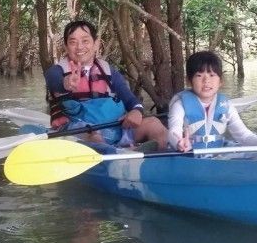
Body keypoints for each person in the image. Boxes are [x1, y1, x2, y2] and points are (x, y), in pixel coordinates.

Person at [44, 19, 167, 150]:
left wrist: (137, 110)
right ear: (66, 46)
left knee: (154, 124)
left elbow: (131, 100)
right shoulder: (57, 71)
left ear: (96, 44)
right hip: (76, 130)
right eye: (73, 42)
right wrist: (66, 82)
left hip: (114, 127)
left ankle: (163, 159)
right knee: (94, 134)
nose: (79, 47)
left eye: (85, 41)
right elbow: (53, 81)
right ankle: (120, 158)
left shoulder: (108, 71)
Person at [167, 50, 257, 152]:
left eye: (212, 75)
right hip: (188, 155)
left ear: (221, 81)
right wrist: (179, 142)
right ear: (189, 80)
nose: (206, 81)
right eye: (199, 75)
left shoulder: (226, 105)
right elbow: (174, 131)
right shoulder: (180, 104)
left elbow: (243, 136)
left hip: (217, 154)